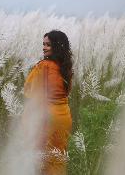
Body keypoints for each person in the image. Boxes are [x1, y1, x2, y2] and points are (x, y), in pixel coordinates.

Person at [23, 30, 73, 175]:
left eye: (48, 45)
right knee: (58, 157)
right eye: (43, 44)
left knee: (41, 160)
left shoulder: (43, 66)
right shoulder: (66, 68)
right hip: (64, 117)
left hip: (47, 118)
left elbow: (30, 91)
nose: (44, 47)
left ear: (57, 46)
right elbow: (66, 92)